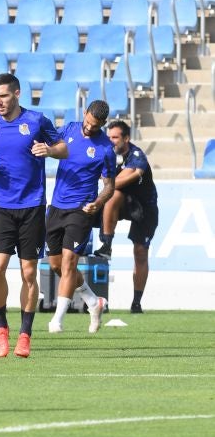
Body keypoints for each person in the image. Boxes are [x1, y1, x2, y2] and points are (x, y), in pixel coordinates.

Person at [0, 73, 68, 358]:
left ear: (17, 94)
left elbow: (64, 148)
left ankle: (25, 334)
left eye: (4, 96)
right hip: (1, 206)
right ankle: (1, 329)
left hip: (32, 207)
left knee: (29, 272)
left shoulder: (37, 121)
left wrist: (49, 150)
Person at [47, 101, 115, 333]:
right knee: (56, 265)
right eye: (87, 123)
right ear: (84, 114)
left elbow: (109, 186)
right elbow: (49, 144)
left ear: (102, 124)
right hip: (56, 206)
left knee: (69, 263)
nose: (88, 128)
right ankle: (93, 302)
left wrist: (98, 203)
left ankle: (57, 320)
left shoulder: (105, 148)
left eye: (94, 126)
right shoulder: (68, 130)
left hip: (82, 209)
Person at [93, 120, 158, 314]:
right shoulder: (106, 154)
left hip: (144, 209)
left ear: (126, 138)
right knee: (112, 195)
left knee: (140, 252)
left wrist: (106, 180)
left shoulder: (137, 156)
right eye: (109, 137)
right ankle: (106, 244)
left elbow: (128, 176)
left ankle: (136, 302)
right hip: (121, 203)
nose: (111, 141)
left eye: (115, 137)